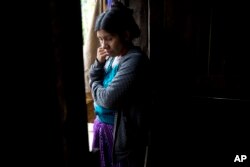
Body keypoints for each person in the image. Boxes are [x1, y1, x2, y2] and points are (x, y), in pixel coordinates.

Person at [89, 1, 151, 167]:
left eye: (109, 38)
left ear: (125, 34)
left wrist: (94, 84)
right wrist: (97, 64)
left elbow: (109, 99)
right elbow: (97, 84)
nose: (104, 46)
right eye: (100, 39)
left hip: (121, 137)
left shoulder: (134, 61)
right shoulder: (110, 58)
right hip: (103, 129)